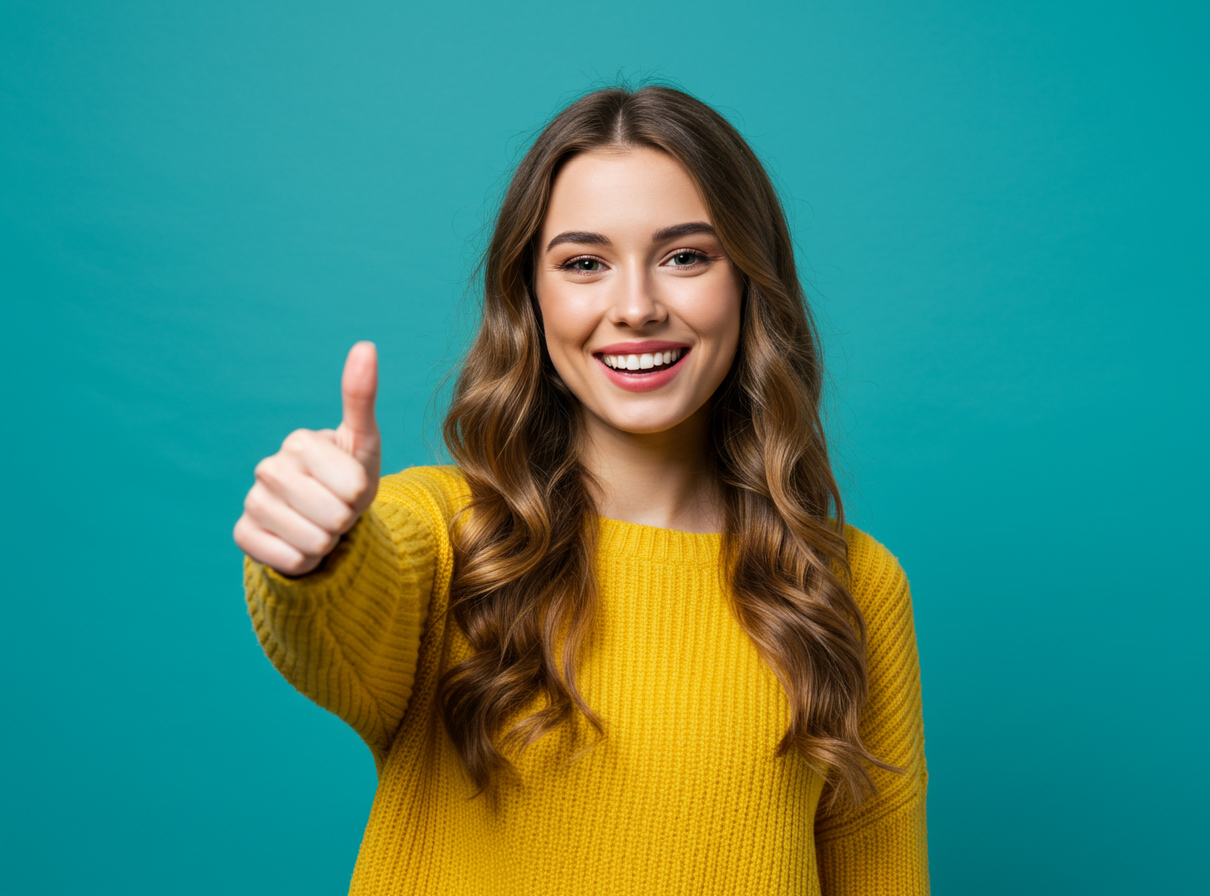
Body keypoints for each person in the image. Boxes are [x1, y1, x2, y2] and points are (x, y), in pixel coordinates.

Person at [233, 85, 928, 895]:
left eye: (685, 257)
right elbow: (351, 604)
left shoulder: (851, 587)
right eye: (585, 264)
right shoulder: (449, 536)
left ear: (748, 280)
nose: (636, 308)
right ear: (530, 296)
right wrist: (321, 551)